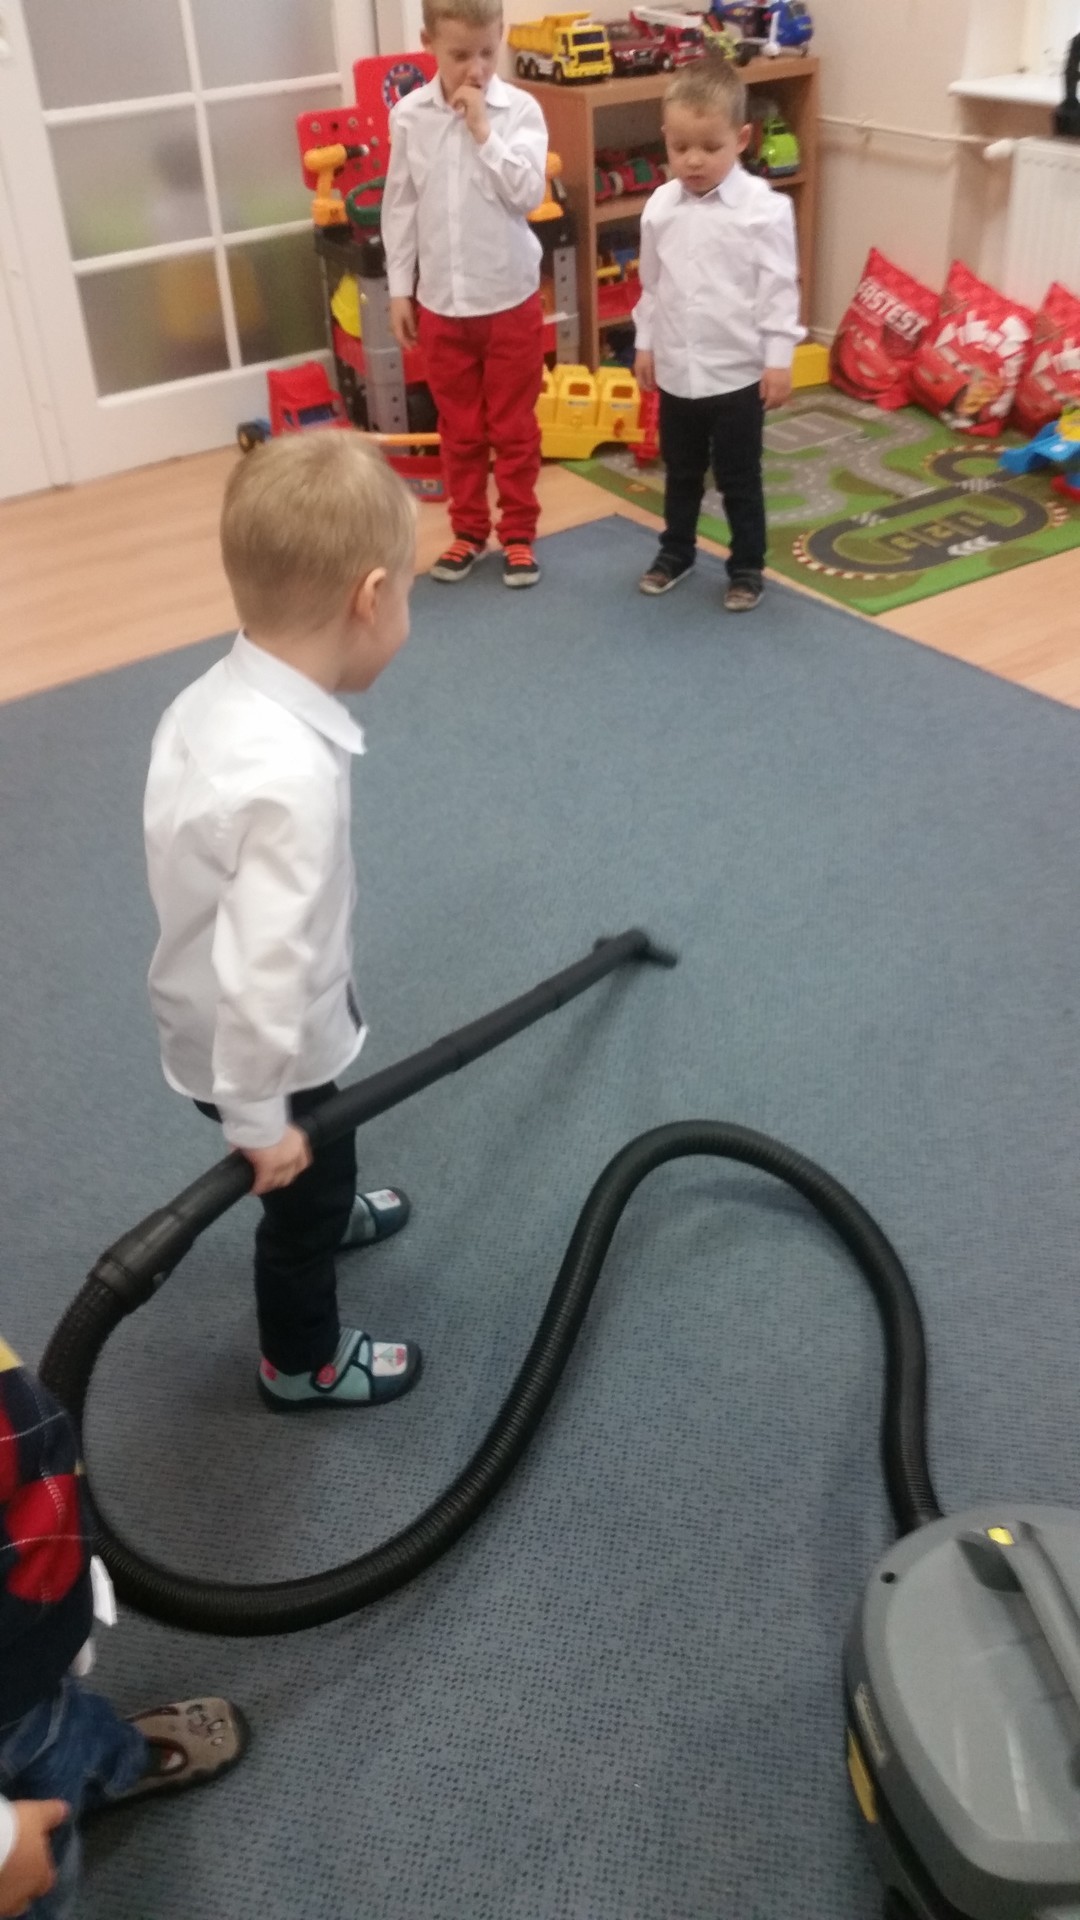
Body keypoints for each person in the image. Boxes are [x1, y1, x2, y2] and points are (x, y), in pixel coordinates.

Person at [144, 434, 424, 1413]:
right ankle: (301, 1362)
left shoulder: (210, 700)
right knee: (301, 1195)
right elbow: (265, 971)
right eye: (410, 595)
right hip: (260, 1050)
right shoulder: (288, 780)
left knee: (326, 1146)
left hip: (208, 1009)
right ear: (370, 596)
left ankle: (328, 1202)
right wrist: (260, 1124)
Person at [0, 1336, 244, 1919]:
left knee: (65, 1721)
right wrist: (6, 1845)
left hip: (33, 1625)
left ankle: (110, 1762)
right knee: (44, 1861)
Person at [381, 0, 548, 590]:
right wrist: (400, 289)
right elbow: (400, 206)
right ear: (428, 43)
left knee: (514, 427)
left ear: (501, 37)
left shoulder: (520, 111)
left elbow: (527, 194)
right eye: (459, 55)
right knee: (460, 429)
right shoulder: (409, 117)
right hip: (442, 306)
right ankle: (469, 531)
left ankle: (519, 533)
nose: (475, 69)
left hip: (510, 301)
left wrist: (484, 132)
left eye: (486, 53)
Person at [632, 59, 804, 613]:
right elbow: (652, 286)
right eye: (680, 147)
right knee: (680, 472)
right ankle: (676, 551)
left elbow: (779, 289)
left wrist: (778, 358)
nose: (693, 160)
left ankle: (747, 565)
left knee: (738, 478)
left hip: (737, 375)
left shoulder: (765, 211)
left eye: (710, 147)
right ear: (666, 137)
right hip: (678, 373)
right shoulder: (660, 207)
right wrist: (645, 343)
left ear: (742, 139)